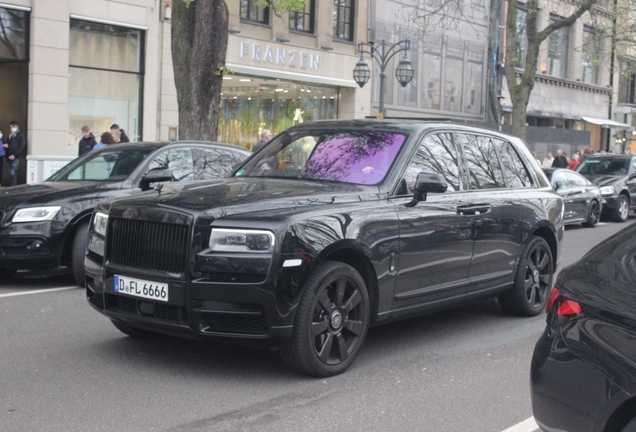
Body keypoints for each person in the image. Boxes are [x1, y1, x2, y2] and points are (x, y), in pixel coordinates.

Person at [6, 121, 26, 186]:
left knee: (13, 172)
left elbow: (21, 146)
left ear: (17, 127)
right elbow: (8, 145)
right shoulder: (10, 136)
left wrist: (15, 155)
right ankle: (12, 185)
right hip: (8, 157)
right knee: (10, 173)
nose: (12, 129)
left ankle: (13, 186)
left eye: (13, 127)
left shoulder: (21, 136)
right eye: (11, 127)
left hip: (15, 157)